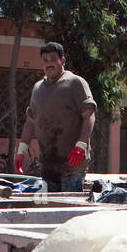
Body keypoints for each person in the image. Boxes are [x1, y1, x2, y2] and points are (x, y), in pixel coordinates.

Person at [16, 42, 97, 192]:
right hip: (48, 164)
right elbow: (30, 122)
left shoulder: (75, 83)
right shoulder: (37, 88)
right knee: (49, 211)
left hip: (72, 164)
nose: (49, 64)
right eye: (45, 60)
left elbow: (89, 114)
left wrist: (81, 145)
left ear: (63, 61)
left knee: (68, 208)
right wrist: (21, 149)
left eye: (53, 59)